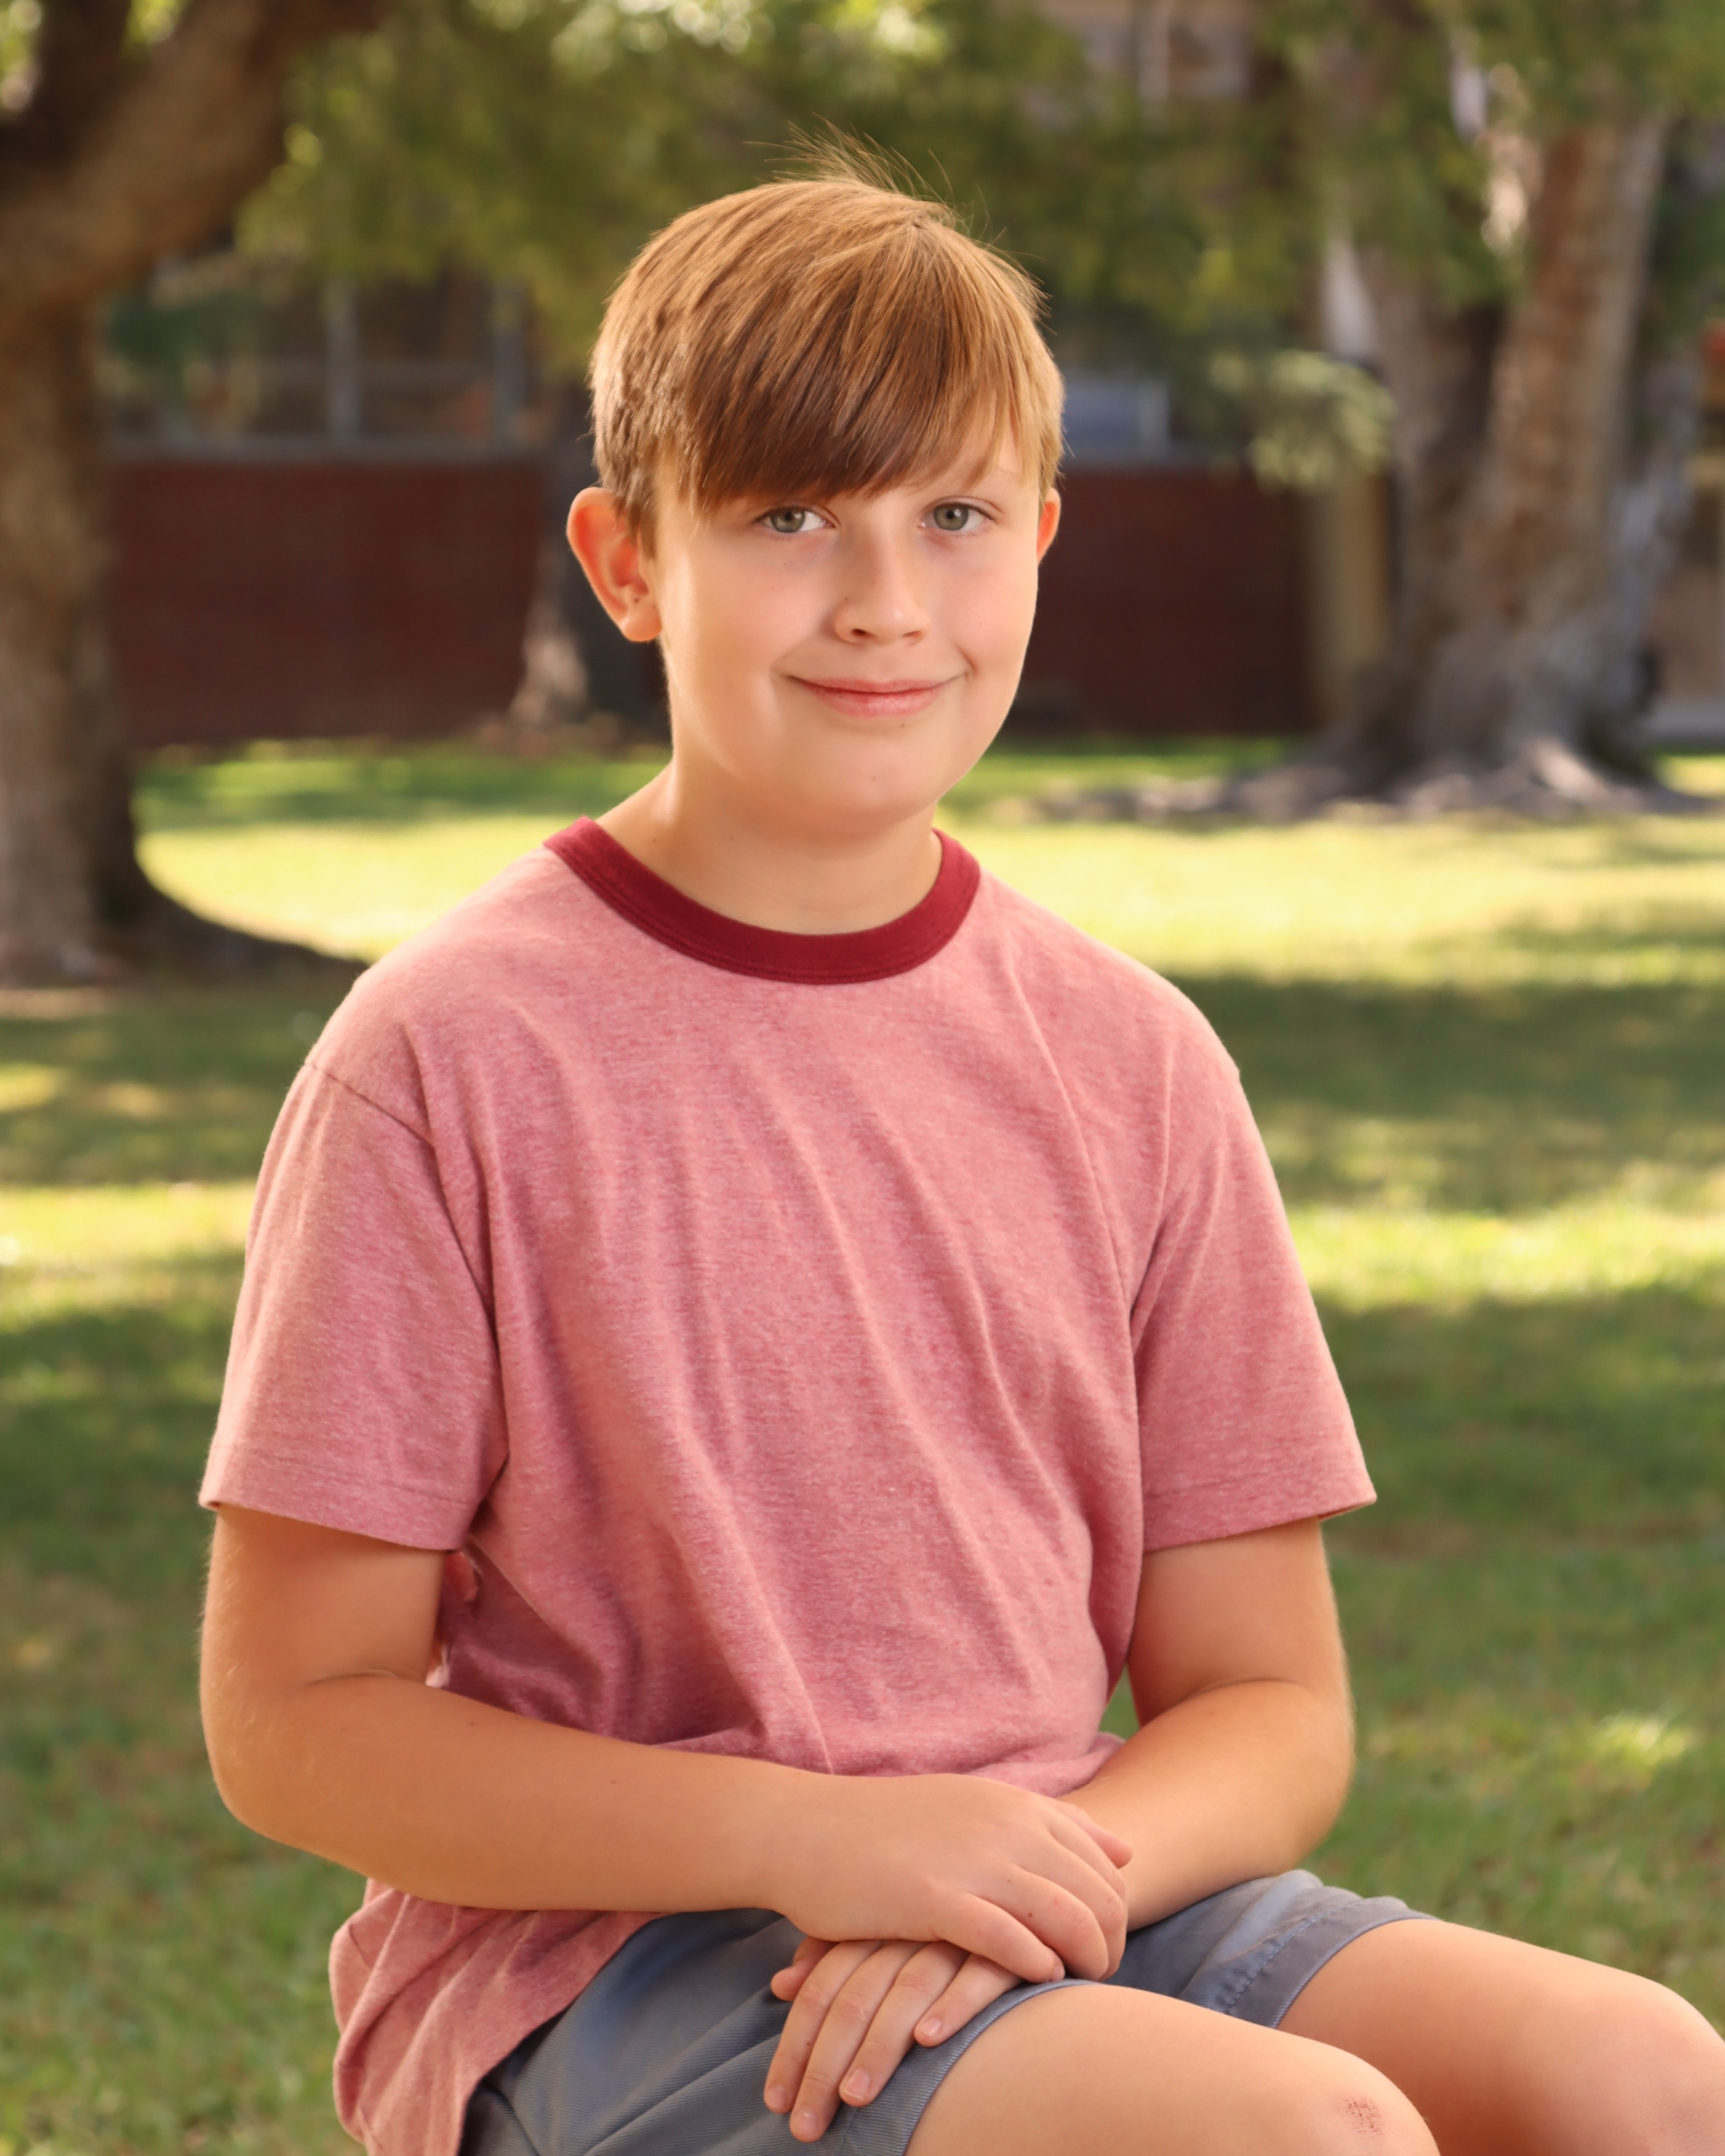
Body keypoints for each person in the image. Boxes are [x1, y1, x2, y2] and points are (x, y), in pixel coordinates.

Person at [198, 167, 1725, 2156]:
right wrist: (827, 1846)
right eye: (788, 518)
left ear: (1042, 541)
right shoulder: (444, 1060)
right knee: (1308, 2139)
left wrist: (1006, 1887)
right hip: (614, 1958)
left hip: (1066, 1877)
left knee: (1648, 2078)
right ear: (627, 560)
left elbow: (1273, 1706)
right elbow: (294, 1723)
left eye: (955, 517)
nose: (885, 603)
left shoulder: (1137, 1064)